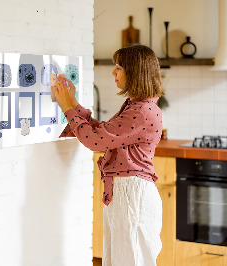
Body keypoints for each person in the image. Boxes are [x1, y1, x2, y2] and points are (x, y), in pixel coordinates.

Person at [52, 44, 164, 266]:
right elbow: (103, 133)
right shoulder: (137, 106)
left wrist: (67, 108)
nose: (113, 72)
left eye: (119, 67)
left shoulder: (141, 111)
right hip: (127, 193)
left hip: (132, 195)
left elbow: (95, 141)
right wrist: (73, 104)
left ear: (135, 72)